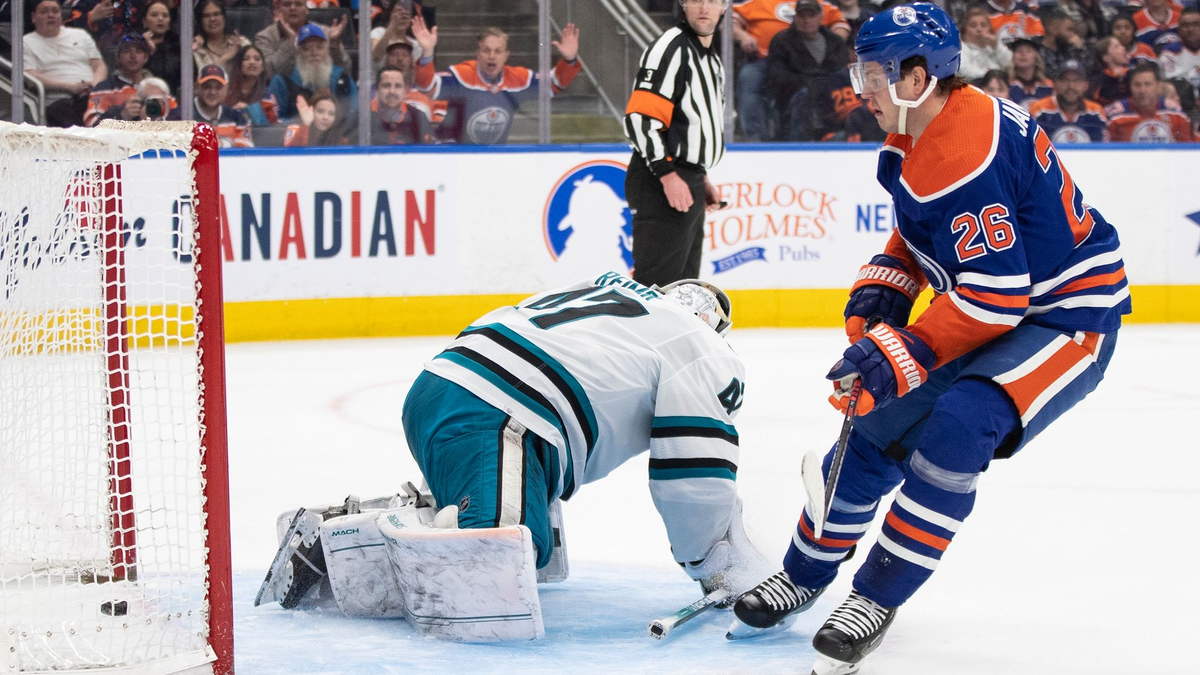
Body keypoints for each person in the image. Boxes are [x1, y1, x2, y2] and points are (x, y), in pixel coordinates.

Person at [728, 6, 1130, 674]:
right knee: (874, 424)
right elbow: (929, 227)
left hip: (1065, 316)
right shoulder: (927, 123)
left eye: (875, 74)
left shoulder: (963, 153)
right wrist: (890, 279)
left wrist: (901, 353)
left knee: (959, 425)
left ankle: (875, 595)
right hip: (997, 302)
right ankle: (804, 572)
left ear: (917, 77)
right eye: (862, 72)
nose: (863, 88)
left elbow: (997, 296)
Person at [256, 273, 773, 642]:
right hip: (502, 415)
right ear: (715, 326)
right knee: (494, 564)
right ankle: (341, 538)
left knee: (522, 550)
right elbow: (693, 471)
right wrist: (711, 562)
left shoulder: (612, 289)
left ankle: (409, 514)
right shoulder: (702, 344)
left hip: (444, 387)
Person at [624, 0, 729, 289]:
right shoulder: (670, 48)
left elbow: (692, 125)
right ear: (683, 4)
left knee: (684, 288)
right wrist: (667, 174)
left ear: (724, 7)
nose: (704, 7)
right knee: (656, 288)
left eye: (712, 1)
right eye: (696, 0)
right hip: (660, 179)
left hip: (687, 177)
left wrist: (700, 174)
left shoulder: (711, 60)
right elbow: (640, 120)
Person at [411, 19, 582, 144]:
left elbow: (552, 85)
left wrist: (569, 60)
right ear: (478, 54)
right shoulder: (462, 76)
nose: (492, 56)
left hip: (493, 157)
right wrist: (427, 53)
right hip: (452, 154)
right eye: (486, 50)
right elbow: (427, 86)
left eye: (498, 51)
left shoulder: (517, 79)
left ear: (506, 56)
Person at [764, 0, 853, 141]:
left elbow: (843, 71)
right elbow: (777, 75)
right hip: (794, 97)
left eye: (811, 15)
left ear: (820, 17)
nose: (806, 20)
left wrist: (824, 87)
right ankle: (798, 144)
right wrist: (810, 85)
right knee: (804, 97)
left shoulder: (835, 42)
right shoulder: (781, 41)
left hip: (832, 97)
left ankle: (846, 137)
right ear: (795, 17)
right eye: (802, 15)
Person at [23, 0, 108, 127]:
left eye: (55, 11)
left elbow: (99, 66)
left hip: (91, 96)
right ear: (33, 17)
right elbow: (30, 76)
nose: (50, 15)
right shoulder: (26, 42)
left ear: (61, 15)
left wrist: (93, 86)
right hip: (58, 102)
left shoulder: (80, 34)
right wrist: (70, 87)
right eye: (44, 11)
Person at [267, 23, 358, 121]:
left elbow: (356, 116)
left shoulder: (343, 79)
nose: (314, 53)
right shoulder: (283, 82)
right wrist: (303, 122)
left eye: (320, 47)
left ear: (327, 50)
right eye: (307, 48)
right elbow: (273, 120)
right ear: (298, 53)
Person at [255, 0, 350, 79]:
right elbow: (267, 74)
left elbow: (346, 71)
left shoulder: (325, 33)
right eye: (287, 4)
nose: (293, 8)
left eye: (298, 4)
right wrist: (289, 43)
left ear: (307, 10)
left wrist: (334, 45)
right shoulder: (265, 37)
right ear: (278, 10)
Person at [1106, 62, 1197, 142]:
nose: (1142, 90)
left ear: (1158, 87)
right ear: (1130, 87)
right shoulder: (1114, 115)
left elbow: (1187, 149)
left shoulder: (1176, 113)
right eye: (1137, 85)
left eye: (1148, 84)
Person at [1029, 59, 1109, 142]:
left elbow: (1103, 147)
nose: (1071, 86)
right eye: (1065, 80)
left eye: (1076, 81)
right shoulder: (1039, 109)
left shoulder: (1096, 111)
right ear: (1055, 84)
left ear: (1086, 85)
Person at [84, 33, 153, 126]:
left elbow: (173, 118)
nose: (133, 56)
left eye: (138, 51)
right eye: (127, 51)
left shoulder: (157, 88)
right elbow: (91, 124)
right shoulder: (104, 88)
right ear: (118, 57)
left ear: (146, 57)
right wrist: (120, 115)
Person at [189, 65, 254, 148]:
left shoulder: (237, 116)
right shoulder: (181, 115)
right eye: (207, 87)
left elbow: (245, 150)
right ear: (197, 87)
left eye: (218, 88)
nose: (212, 92)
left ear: (226, 89)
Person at [368, 66, 433, 144]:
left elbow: (427, 150)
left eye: (398, 86)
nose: (392, 91)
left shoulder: (418, 117)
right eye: (386, 86)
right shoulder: (363, 118)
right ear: (376, 90)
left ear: (405, 91)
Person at [192, 0, 251, 74]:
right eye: (206, 16)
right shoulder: (196, 49)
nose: (212, 19)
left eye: (216, 14)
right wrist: (225, 58)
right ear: (200, 21)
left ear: (224, 17)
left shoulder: (242, 43)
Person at [226, 45, 279, 125]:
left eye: (257, 59)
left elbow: (274, 126)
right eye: (246, 59)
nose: (252, 62)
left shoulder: (267, 97)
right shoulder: (226, 93)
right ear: (238, 64)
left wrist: (250, 111)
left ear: (263, 67)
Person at [957, 6, 1011, 81]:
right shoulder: (960, 48)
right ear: (964, 30)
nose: (979, 29)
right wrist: (990, 76)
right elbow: (964, 71)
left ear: (990, 29)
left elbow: (1009, 64)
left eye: (983, 25)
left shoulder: (993, 47)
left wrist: (996, 46)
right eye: (973, 26)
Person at [1038, 7, 1089, 80]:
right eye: (1069, 29)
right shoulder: (1037, 50)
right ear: (1051, 28)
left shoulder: (1068, 48)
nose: (1073, 34)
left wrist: (1080, 50)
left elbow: (1083, 75)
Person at [141, 0, 181, 93]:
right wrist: (149, 52)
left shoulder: (178, 47)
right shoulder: (137, 46)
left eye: (165, 16)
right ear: (144, 21)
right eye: (154, 15)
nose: (160, 19)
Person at [369, 0, 423, 68]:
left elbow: (410, 70)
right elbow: (376, 58)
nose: (403, 16)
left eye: (407, 13)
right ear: (391, 14)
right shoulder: (378, 33)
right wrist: (392, 26)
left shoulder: (415, 45)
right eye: (398, 11)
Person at [1007, 37, 1053, 109]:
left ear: (1036, 58)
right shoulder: (1007, 85)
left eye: (1028, 51)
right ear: (1013, 57)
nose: (1023, 54)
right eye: (1019, 51)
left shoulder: (1048, 86)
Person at [1161, 8, 1200, 92]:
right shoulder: (1170, 52)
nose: (1191, 29)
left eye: (1196, 24)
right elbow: (1175, 83)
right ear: (1179, 29)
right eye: (1186, 25)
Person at [1091, 35, 1133, 106]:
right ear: (1106, 57)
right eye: (1116, 47)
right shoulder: (1099, 80)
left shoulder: (1133, 74)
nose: (1123, 48)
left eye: (1121, 45)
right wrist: (1115, 80)